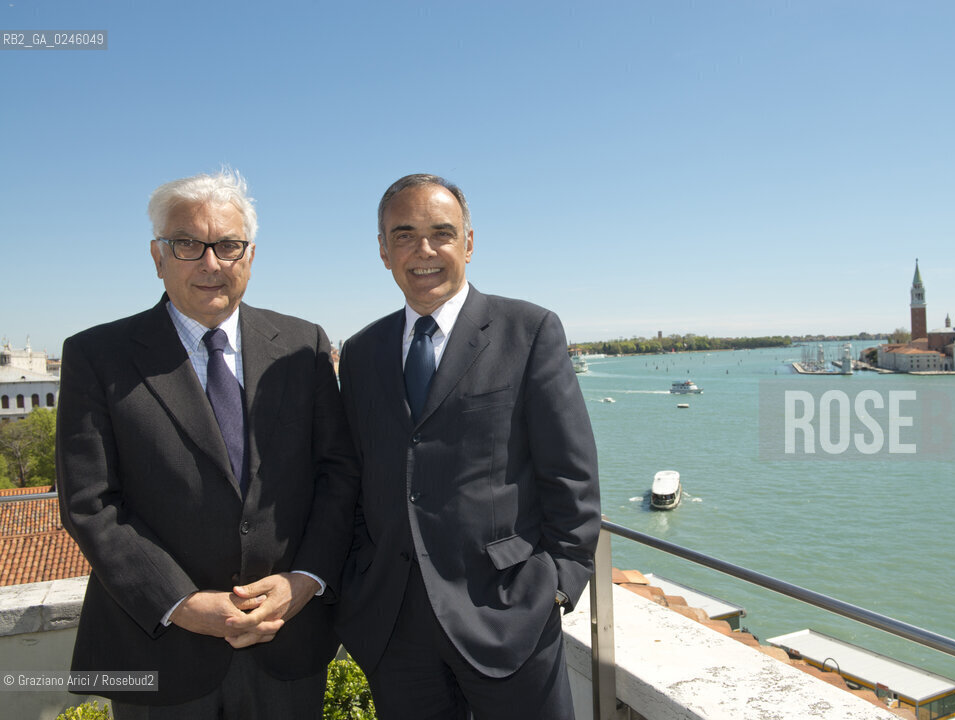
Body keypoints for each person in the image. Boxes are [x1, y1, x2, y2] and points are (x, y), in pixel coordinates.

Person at [56, 170, 359, 719]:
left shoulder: (304, 345)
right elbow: (90, 503)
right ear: (157, 256)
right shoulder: (97, 356)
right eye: (188, 244)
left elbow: (337, 475)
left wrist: (305, 580)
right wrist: (184, 604)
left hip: (288, 648)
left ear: (250, 255)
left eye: (228, 245)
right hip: (160, 654)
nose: (211, 262)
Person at [334, 174, 602, 719]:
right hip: (396, 626)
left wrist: (556, 586)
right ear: (383, 251)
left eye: (442, 233)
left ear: (469, 243)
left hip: (509, 614)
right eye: (404, 235)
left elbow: (571, 476)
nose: (424, 251)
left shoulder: (529, 331)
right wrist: (362, 580)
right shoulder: (360, 352)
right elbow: (355, 475)